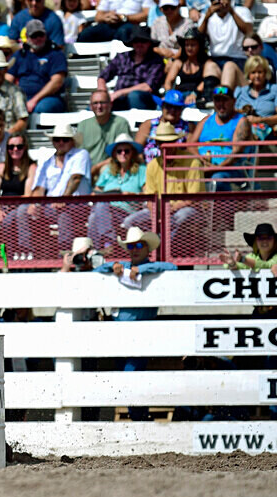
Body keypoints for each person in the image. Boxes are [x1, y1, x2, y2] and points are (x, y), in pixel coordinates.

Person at [94, 227, 177, 421]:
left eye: (139, 245)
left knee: (130, 375)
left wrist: (142, 269)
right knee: (129, 377)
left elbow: (173, 268)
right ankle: (139, 417)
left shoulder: (154, 269)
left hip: (142, 335)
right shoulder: (122, 266)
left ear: (147, 248)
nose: (135, 249)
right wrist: (114, 265)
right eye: (131, 246)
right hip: (120, 334)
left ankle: (138, 418)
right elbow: (97, 270)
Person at [15, 124, 91, 254]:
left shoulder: (81, 154)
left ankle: (64, 253)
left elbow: (76, 179)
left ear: (72, 141)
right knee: (23, 210)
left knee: (64, 213)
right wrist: (34, 204)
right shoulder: (47, 162)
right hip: (51, 206)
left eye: (65, 139)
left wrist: (63, 199)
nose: (60, 142)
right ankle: (26, 251)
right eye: (57, 139)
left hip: (76, 205)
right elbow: (39, 188)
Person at [122, 121, 203, 240]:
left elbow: (194, 198)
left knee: (181, 216)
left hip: (185, 210)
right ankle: (152, 247)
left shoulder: (192, 162)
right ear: (157, 143)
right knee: (129, 222)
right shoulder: (152, 165)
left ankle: (164, 248)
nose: (165, 146)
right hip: (160, 210)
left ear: (176, 142)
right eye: (162, 142)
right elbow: (150, 197)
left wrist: (172, 209)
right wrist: (157, 213)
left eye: (169, 142)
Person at [87, 134, 147, 250]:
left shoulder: (141, 170)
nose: (123, 154)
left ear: (133, 153)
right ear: (114, 154)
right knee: (94, 215)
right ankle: (103, 248)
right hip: (107, 211)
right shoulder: (108, 171)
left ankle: (102, 245)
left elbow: (147, 193)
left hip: (128, 209)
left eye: (126, 151)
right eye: (119, 151)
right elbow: (97, 191)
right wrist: (96, 194)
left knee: (98, 211)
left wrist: (132, 195)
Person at [187, 85, 252, 191]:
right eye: (217, 100)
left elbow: (236, 153)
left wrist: (216, 168)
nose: (221, 104)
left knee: (218, 179)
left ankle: (220, 208)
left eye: (225, 100)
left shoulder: (241, 121)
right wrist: (201, 160)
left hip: (230, 170)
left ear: (233, 101)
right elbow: (191, 145)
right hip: (203, 166)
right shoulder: (206, 120)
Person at [97, 26, 164, 111]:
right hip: (118, 99)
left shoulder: (156, 61)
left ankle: (139, 123)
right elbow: (102, 77)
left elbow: (148, 87)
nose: (139, 44)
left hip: (143, 100)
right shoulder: (122, 57)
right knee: (97, 102)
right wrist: (103, 93)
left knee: (134, 96)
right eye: (136, 41)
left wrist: (120, 93)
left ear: (149, 43)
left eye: (143, 41)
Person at [7, 20, 68, 114]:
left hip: (48, 98)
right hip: (22, 97)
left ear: (46, 35)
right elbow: (8, 79)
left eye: (41, 35)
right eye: (34, 36)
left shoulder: (56, 54)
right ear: (27, 37)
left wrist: (34, 100)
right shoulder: (19, 55)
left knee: (41, 108)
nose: (38, 38)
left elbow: (57, 82)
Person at [77, 90, 132, 179]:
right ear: (90, 106)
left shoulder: (121, 123)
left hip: (111, 166)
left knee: (106, 170)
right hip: (87, 168)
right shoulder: (83, 125)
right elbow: (78, 154)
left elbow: (124, 153)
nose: (99, 106)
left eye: (103, 103)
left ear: (110, 104)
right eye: (95, 103)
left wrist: (97, 167)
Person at [198, 0, 252, 88]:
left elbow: (249, 32)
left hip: (237, 59)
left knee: (228, 68)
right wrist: (207, 18)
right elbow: (198, 38)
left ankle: (225, 98)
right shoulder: (206, 16)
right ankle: (210, 98)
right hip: (216, 59)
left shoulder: (242, 11)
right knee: (209, 67)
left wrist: (230, 11)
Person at [136, 89, 192, 164]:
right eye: (169, 106)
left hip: (177, 169)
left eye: (177, 107)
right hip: (149, 167)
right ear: (162, 107)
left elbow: (191, 150)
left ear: (182, 110)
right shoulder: (149, 124)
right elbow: (137, 150)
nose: (172, 110)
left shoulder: (188, 127)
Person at [163, 28, 213, 106]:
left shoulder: (206, 63)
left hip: (198, 96)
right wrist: (169, 95)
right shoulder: (179, 63)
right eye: (187, 45)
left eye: (193, 45)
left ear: (200, 46)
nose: (189, 48)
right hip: (180, 95)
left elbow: (206, 81)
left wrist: (195, 93)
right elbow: (168, 81)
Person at [234, 56, 277, 138]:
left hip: (267, 132)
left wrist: (260, 120)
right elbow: (233, 113)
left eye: (260, 72)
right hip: (241, 130)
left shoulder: (274, 90)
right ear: (248, 74)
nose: (257, 76)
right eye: (253, 72)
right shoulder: (241, 91)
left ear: (265, 73)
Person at [77, 0, 149, 43]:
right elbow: (98, 16)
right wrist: (106, 17)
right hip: (109, 24)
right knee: (86, 34)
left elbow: (147, 14)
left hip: (132, 24)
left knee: (123, 31)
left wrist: (125, 17)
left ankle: (124, 62)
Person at [0, 132, 37, 197]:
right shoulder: (0, 168)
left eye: (19, 146)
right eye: (11, 147)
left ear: (25, 148)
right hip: (3, 205)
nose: (15, 149)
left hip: (23, 205)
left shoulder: (31, 168)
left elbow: (27, 196)